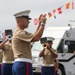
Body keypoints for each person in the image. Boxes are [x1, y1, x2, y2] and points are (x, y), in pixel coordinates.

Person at [12, 10, 47, 75]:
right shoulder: (19, 32)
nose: (29, 21)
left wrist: (39, 24)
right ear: (21, 20)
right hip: (23, 64)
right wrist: (43, 24)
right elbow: (36, 38)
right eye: (27, 19)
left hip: (20, 64)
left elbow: (34, 36)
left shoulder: (19, 31)